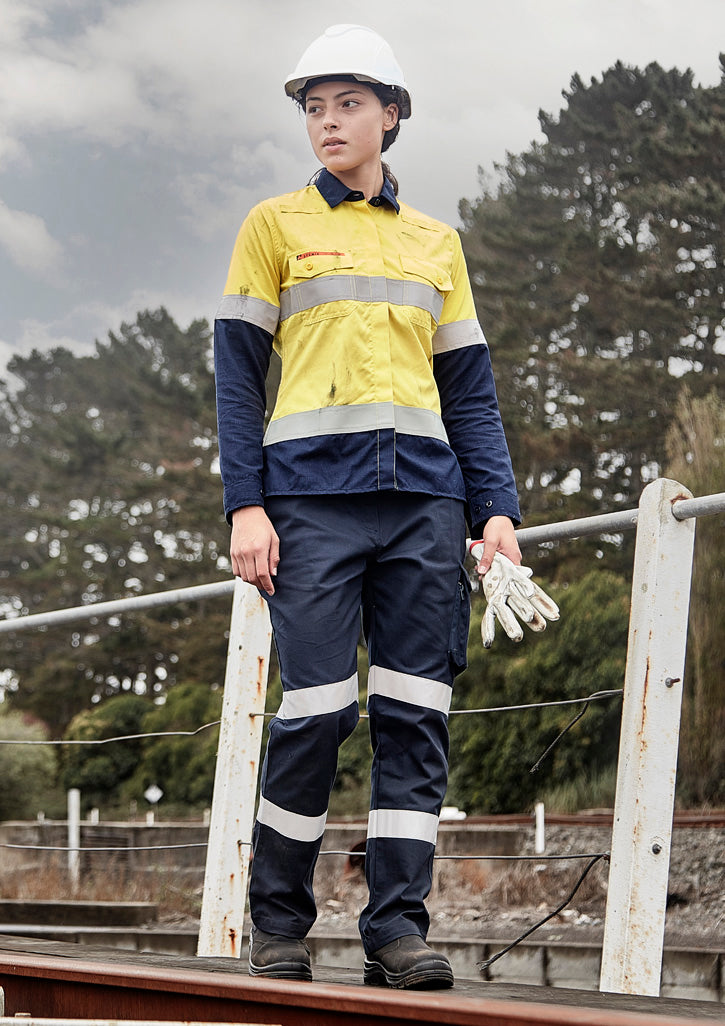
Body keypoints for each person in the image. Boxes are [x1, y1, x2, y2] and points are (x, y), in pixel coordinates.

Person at [213, 23, 522, 989]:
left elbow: (469, 391)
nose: (327, 122)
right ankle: (278, 922)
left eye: (348, 104)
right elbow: (236, 380)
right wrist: (245, 505)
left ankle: (396, 931)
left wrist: (494, 510)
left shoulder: (436, 242)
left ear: (391, 115)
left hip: (426, 504)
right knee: (315, 710)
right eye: (314, 108)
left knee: (414, 714)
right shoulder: (272, 226)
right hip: (309, 504)